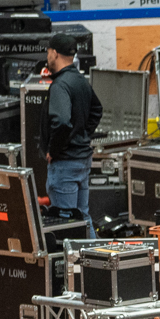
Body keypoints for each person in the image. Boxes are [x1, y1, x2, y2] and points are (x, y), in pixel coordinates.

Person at [44, 32, 102, 228]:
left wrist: (54, 150)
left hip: (65, 164)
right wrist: (82, 134)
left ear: (54, 53)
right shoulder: (80, 80)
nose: (47, 57)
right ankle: (95, 257)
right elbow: (97, 110)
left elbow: (61, 121)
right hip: (82, 160)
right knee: (83, 219)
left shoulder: (60, 85)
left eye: (48, 52)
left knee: (66, 224)